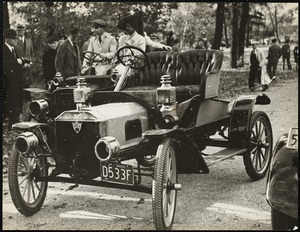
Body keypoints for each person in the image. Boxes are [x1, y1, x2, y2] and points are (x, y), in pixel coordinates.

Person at [3, 29, 30, 130]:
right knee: (10, 102)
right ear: (7, 39)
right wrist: (17, 61)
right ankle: (11, 124)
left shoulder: (14, 49)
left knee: (17, 101)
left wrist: (23, 65)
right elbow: (7, 66)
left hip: (16, 82)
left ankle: (15, 121)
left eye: (16, 38)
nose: (16, 40)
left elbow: (15, 65)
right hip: (8, 83)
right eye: (13, 38)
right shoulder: (4, 50)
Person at [14, 23, 34, 102]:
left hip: (28, 66)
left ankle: (28, 100)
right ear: (17, 31)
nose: (21, 32)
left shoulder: (29, 40)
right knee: (20, 84)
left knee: (27, 85)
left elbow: (32, 53)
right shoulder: (15, 41)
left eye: (22, 30)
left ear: (24, 31)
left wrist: (30, 62)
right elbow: (13, 54)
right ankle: (21, 101)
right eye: (19, 30)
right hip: (19, 66)